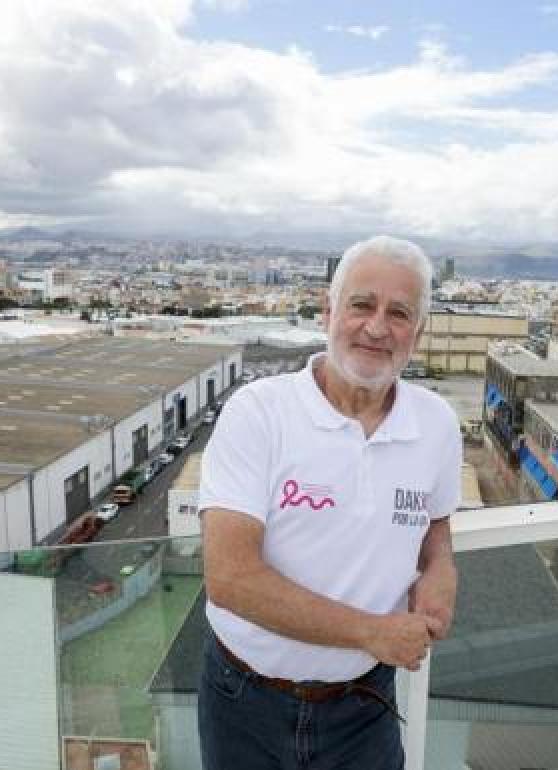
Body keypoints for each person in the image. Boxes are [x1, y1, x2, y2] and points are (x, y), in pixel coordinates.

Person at [197, 235, 462, 769]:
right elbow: (229, 579)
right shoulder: (259, 413)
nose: (378, 327)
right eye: (362, 305)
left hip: (363, 708)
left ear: (419, 331)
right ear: (329, 311)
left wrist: (439, 567)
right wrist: (372, 632)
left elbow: (436, 528)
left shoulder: (437, 425)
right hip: (245, 702)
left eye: (399, 313)